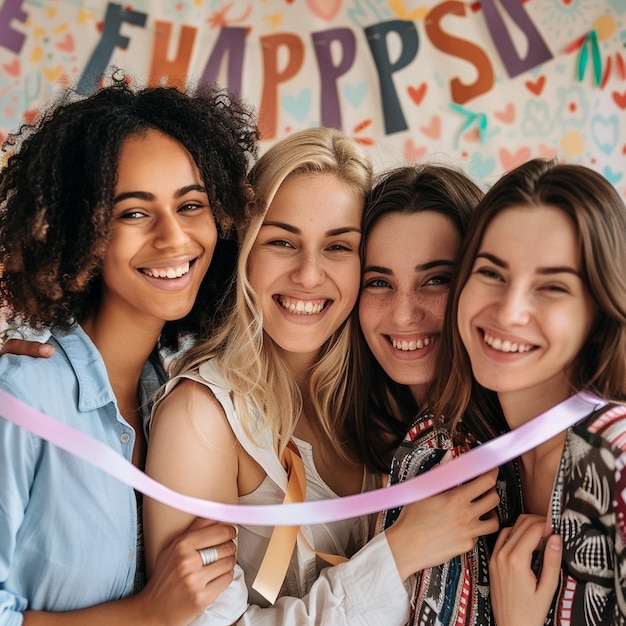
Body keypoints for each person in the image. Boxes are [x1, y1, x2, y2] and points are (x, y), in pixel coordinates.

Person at [144, 129, 500, 625]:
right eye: (283, 241)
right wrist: (396, 555)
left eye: (337, 246)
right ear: (246, 251)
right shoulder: (201, 419)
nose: (309, 275)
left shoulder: (389, 399)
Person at [0, 78, 260, 625]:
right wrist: (147, 613)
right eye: (135, 213)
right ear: (81, 229)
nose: (175, 237)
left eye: (192, 205)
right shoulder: (22, 395)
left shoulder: (175, 397)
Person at [430, 158, 626, 625]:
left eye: (552, 287)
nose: (510, 310)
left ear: (597, 310)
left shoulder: (617, 460)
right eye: (492, 273)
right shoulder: (453, 453)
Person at [352, 163, 500, 624]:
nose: (403, 314)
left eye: (435, 279)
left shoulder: (460, 452)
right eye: (379, 282)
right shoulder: (378, 434)